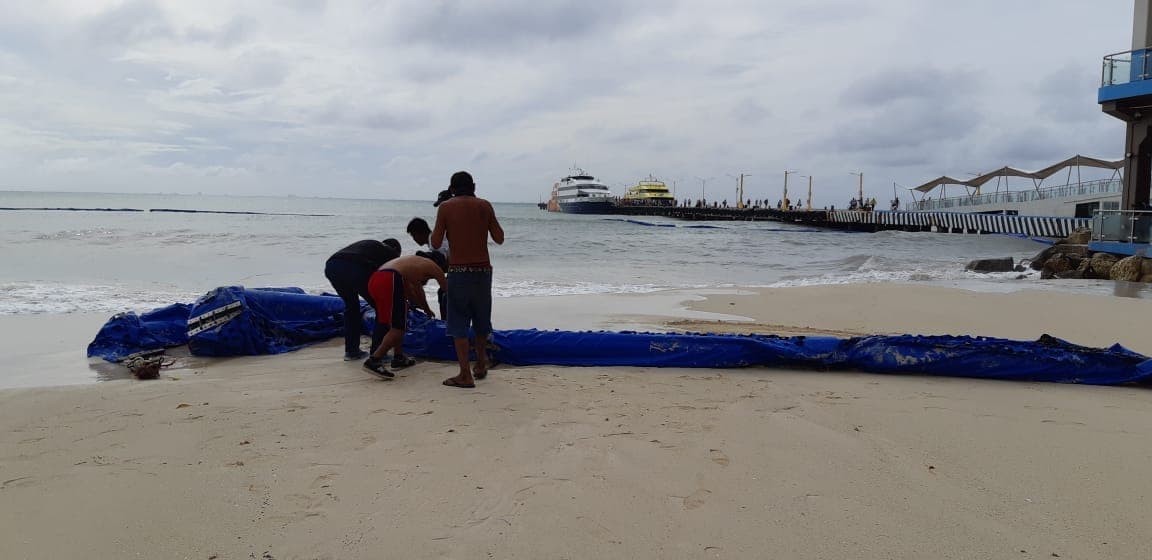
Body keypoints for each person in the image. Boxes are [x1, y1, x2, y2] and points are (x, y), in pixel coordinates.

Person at [431, 171, 504, 389]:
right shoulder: (485, 205)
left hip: (459, 271)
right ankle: (481, 364)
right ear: (474, 185)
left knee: (458, 323)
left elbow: (435, 243)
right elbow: (499, 238)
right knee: (481, 320)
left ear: (452, 189)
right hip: (483, 271)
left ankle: (465, 374)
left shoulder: (446, 207)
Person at [362, 252, 447, 378]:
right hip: (389, 279)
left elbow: (410, 292)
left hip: (376, 279)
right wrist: (427, 310)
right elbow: (445, 290)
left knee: (399, 318)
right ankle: (374, 360)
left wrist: (422, 307)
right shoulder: (433, 266)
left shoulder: (410, 264)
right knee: (398, 327)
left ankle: (399, 357)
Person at [324, 238, 401, 360]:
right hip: (354, 267)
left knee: (352, 307)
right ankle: (377, 353)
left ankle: (351, 351)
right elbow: (394, 279)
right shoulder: (391, 254)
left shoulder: (372, 247)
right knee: (382, 309)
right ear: (396, 250)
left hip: (332, 266)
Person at [407, 217, 450, 317]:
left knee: (444, 295)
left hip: (457, 269)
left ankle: (446, 323)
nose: (414, 239)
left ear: (418, 233)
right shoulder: (435, 239)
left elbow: (443, 260)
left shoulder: (435, 242)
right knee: (442, 293)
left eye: (413, 236)